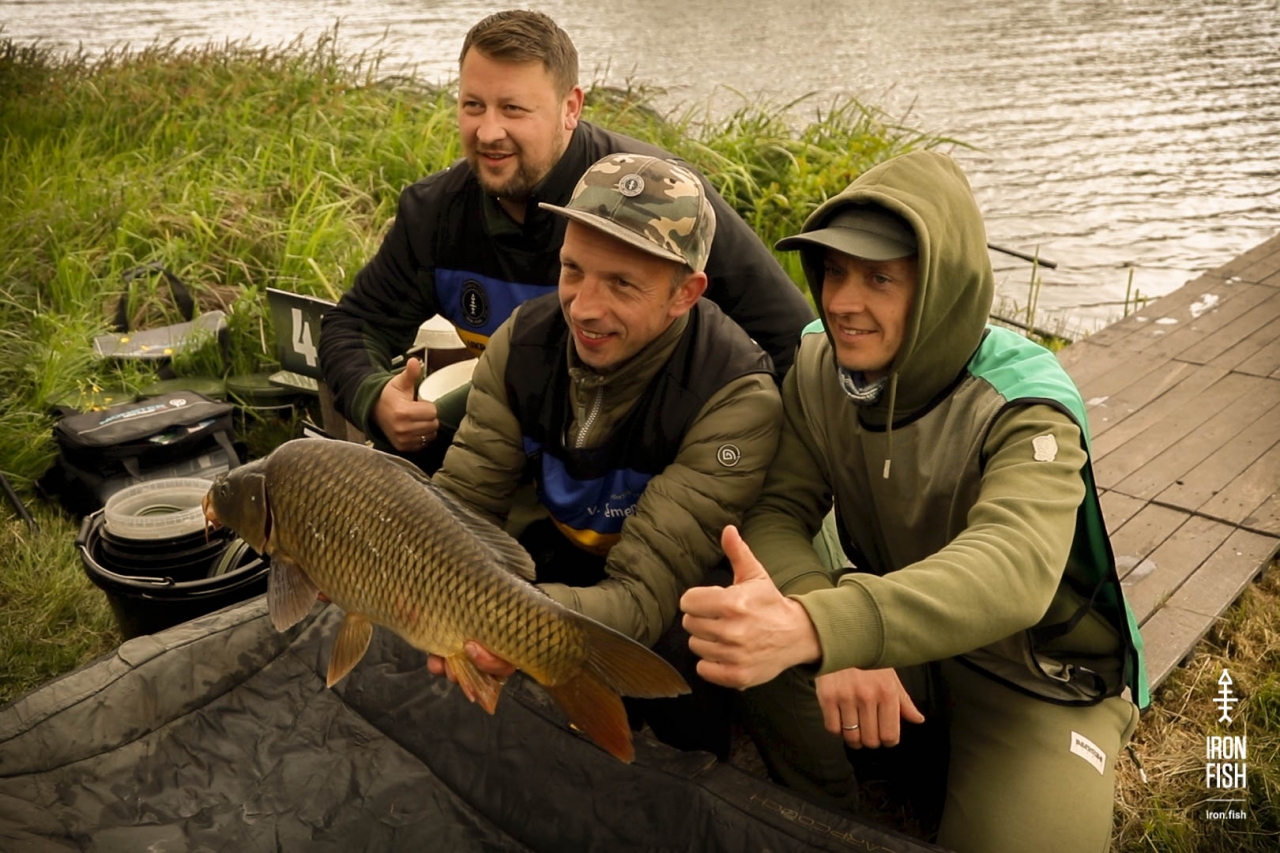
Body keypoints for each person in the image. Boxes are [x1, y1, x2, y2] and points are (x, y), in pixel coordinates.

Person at [679, 150, 1148, 852]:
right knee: (748, 613)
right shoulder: (819, 362)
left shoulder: (1026, 405)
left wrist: (823, 626)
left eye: (879, 278)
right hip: (906, 639)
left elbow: (1014, 570)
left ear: (939, 288)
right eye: (834, 272)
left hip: (1033, 675)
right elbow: (776, 511)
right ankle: (829, 819)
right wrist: (824, 622)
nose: (842, 301)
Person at [317, 9, 812, 470]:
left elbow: (795, 340)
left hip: (641, 467)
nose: (488, 132)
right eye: (473, 106)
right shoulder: (435, 211)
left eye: (513, 109)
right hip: (503, 449)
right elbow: (353, 325)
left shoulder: (663, 201)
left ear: (570, 107)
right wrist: (375, 397)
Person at [421, 152, 782, 759]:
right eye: (573, 270)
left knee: (689, 638)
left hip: (668, 586)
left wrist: (498, 623)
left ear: (685, 294)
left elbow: (643, 596)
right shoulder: (522, 343)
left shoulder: (733, 394)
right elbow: (458, 510)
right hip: (560, 548)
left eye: (621, 284)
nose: (585, 308)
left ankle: (682, 771)